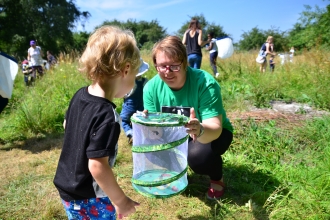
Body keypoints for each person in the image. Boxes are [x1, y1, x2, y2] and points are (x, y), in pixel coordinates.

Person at [53, 25, 145, 219]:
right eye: (135, 77)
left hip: (68, 187)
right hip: (88, 196)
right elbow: (97, 166)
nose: (134, 84)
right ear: (125, 70)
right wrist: (120, 201)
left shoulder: (80, 94)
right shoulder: (108, 115)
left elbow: (66, 125)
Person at [143, 36, 234, 200]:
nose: (168, 72)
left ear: (185, 63)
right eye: (162, 66)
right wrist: (147, 125)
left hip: (212, 134)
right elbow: (156, 133)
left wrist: (199, 130)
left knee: (198, 157)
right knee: (151, 149)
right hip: (176, 136)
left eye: (175, 66)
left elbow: (215, 127)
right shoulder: (150, 88)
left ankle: (216, 178)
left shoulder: (204, 82)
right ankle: (178, 172)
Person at [120, 59, 149, 144]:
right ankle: (139, 136)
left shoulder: (129, 82)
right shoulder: (145, 81)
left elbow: (125, 94)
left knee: (123, 120)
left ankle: (131, 134)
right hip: (141, 105)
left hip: (129, 105)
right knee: (139, 120)